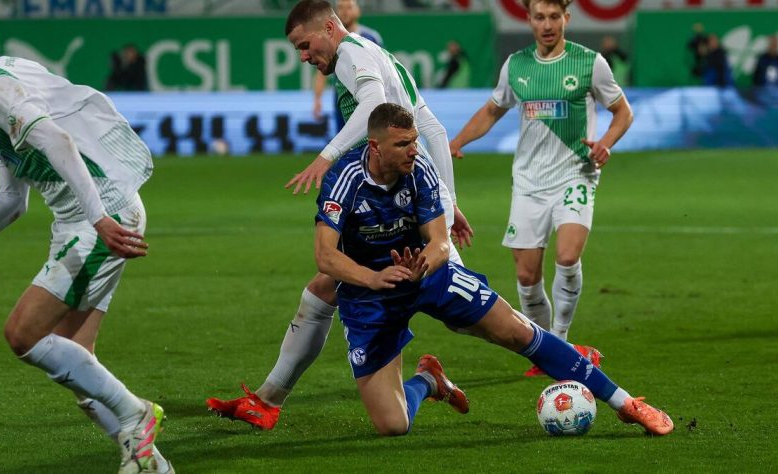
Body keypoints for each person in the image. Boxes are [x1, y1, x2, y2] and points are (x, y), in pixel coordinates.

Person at [311, 102, 673, 436]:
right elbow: (325, 256)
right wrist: (375, 277)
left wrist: (424, 265)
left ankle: (626, 403)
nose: (414, 150)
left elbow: (440, 241)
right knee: (393, 425)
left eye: (415, 141)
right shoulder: (345, 179)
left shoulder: (419, 170)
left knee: (519, 331)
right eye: (403, 144)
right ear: (375, 147)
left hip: (427, 275)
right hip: (369, 295)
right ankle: (429, 381)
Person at [206, 0, 473, 431]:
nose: (303, 57)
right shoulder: (382, 56)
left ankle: (568, 361)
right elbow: (435, 131)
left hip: (397, 201)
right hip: (407, 198)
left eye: (304, 45)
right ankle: (268, 400)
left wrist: (326, 156)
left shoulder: (351, 53)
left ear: (329, 28)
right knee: (322, 289)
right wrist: (449, 200)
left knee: (471, 317)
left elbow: (371, 106)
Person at [0, 23, 172, 473]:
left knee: (22, 333)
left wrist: (99, 217)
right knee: (79, 362)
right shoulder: (7, 73)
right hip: (88, 216)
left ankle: (136, 415)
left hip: (99, 216)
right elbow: (13, 198)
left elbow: (57, 140)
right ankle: (150, 464)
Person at [449, 0, 633, 376]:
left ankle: (560, 343)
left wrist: (605, 143)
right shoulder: (516, 65)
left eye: (554, 17)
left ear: (566, 18)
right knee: (526, 277)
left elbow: (623, 111)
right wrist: (457, 141)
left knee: (567, 256)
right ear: (529, 20)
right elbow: (492, 109)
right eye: (539, 17)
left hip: (576, 174)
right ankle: (544, 347)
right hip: (528, 182)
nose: (547, 25)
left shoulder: (590, 63)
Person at [312, 0, 383, 131]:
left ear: (358, 11)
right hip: (342, 100)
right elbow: (321, 72)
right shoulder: (328, 40)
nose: (345, 12)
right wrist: (317, 99)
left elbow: (383, 69)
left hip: (368, 97)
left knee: (371, 137)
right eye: (340, 8)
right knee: (344, 138)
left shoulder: (371, 38)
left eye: (349, 7)